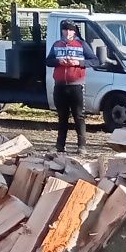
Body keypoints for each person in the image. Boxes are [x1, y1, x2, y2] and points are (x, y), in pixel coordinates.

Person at [48, 21, 95, 153]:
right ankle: (60, 145)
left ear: (74, 31)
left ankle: (82, 146)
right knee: (62, 116)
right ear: (62, 31)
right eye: (65, 30)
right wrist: (58, 61)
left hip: (76, 85)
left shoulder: (82, 44)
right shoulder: (57, 45)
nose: (67, 32)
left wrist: (79, 62)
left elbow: (94, 60)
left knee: (78, 116)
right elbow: (48, 61)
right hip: (60, 85)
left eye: (70, 30)